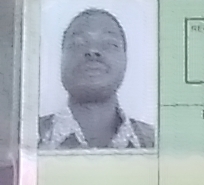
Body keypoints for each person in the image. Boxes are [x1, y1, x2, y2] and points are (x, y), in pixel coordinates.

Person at [38, 8, 155, 150]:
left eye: (109, 44)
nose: (92, 50)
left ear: (125, 59)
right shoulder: (24, 137)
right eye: (78, 43)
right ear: (62, 59)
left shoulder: (159, 144)